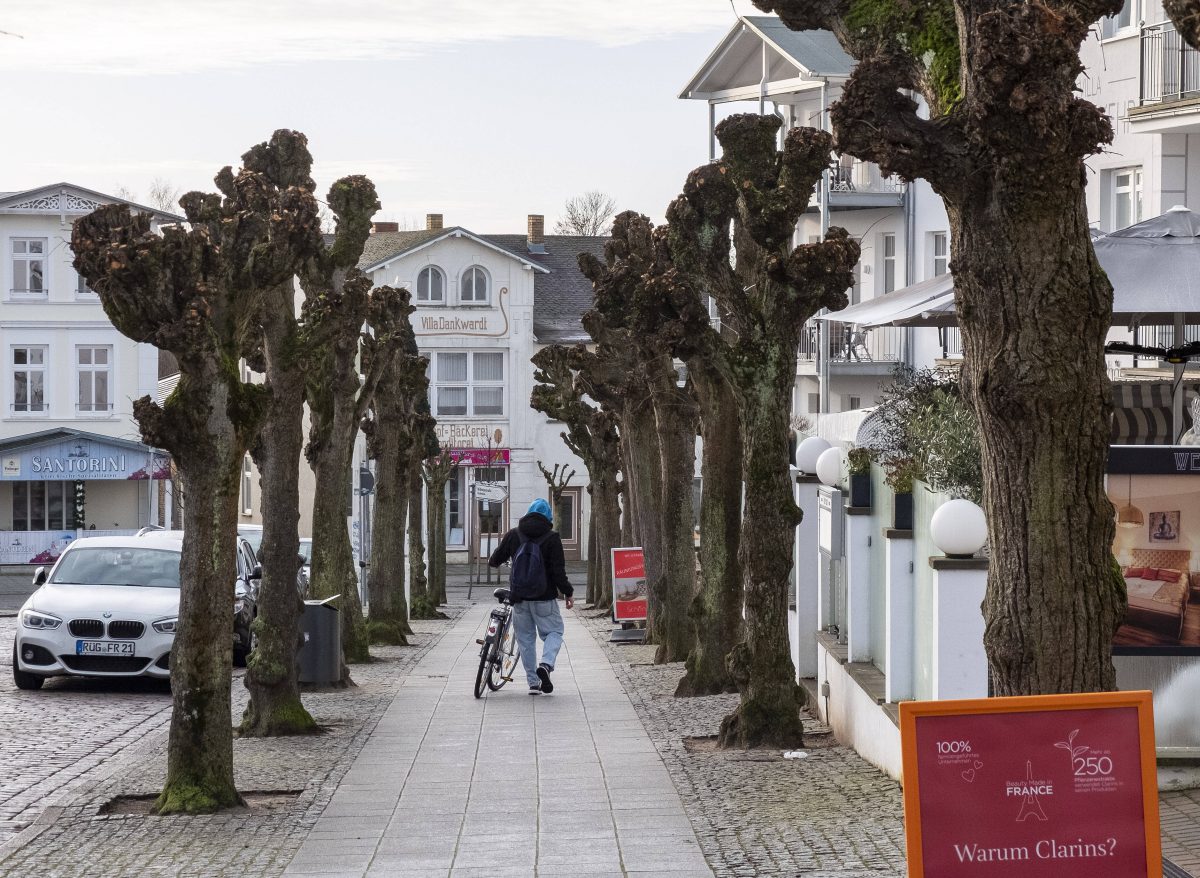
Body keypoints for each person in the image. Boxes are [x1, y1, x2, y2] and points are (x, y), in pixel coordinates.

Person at [488, 498, 574, 694]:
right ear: (548, 517)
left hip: (519, 598)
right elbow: (558, 573)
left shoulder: (514, 534)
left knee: (525, 640)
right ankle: (545, 665)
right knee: (554, 632)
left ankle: (533, 684)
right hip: (545, 598)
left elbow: (494, 561)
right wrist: (568, 592)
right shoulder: (552, 538)